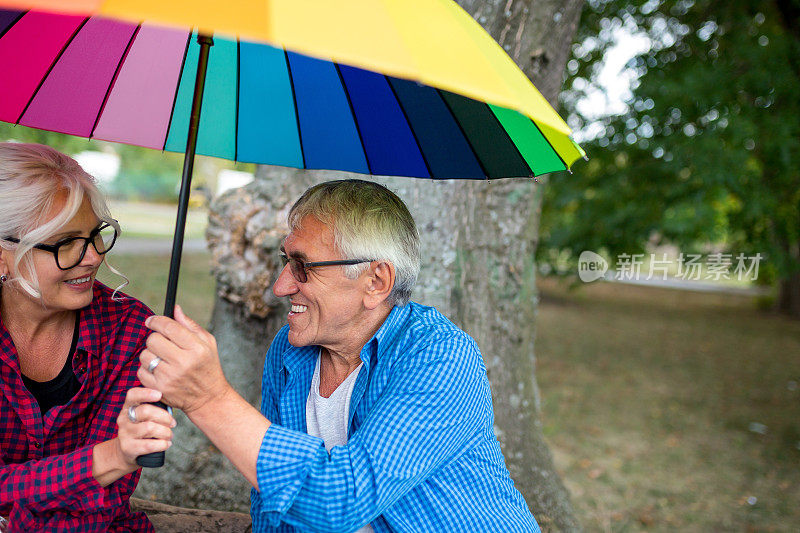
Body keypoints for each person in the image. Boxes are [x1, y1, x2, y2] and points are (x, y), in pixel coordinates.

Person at [140, 179, 540, 532]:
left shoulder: (439, 356)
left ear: (375, 281)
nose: (280, 286)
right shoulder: (290, 350)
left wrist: (208, 398)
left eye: (302, 267)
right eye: (285, 262)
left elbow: (342, 500)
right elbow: (271, 501)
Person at [0, 143, 175, 532]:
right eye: (66, 243)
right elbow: (107, 469)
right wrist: (109, 456)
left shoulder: (129, 330)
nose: (93, 257)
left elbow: (103, 503)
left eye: (96, 235)